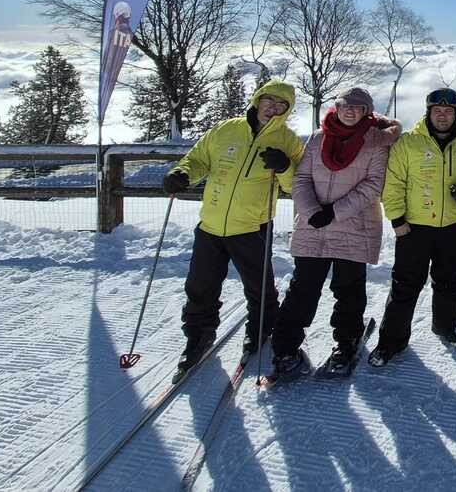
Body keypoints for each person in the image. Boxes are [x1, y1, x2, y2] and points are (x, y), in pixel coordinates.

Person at [163, 80, 304, 374]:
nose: (273, 108)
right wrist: (182, 173)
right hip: (211, 225)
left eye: (282, 105)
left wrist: (285, 165)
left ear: (287, 111)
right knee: (200, 286)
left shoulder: (288, 140)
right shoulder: (226, 128)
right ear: (258, 99)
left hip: (251, 226)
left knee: (259, 287)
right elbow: (199, 159)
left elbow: (295, 184)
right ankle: (198, 336)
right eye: (270, 101)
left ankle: (261, 328)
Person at [263, 88, 401, 381]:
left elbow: (373, 186)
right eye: (345, 106)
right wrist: (312, 211)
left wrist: (334, 212)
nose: (350, 111)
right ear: (336, 108)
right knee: (302, 290)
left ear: (367, 112)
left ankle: (347, 342)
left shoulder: (376, 143)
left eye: (358, 107)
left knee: (349, 290)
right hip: (314, 227)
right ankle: (285, 348)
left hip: (354, 227)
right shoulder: (316, 138)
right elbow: (301, 178)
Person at [368, 88, 456, 366]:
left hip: (453, 225)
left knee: (449, 280)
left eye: (448, 111)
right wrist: (398, 220)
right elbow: (392, 184)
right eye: (437, 111)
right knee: (405, 284)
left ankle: (446, 325)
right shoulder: (409, 143)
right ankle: (391, 341)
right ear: (428, 112)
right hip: (414, 227)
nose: (443, 116)